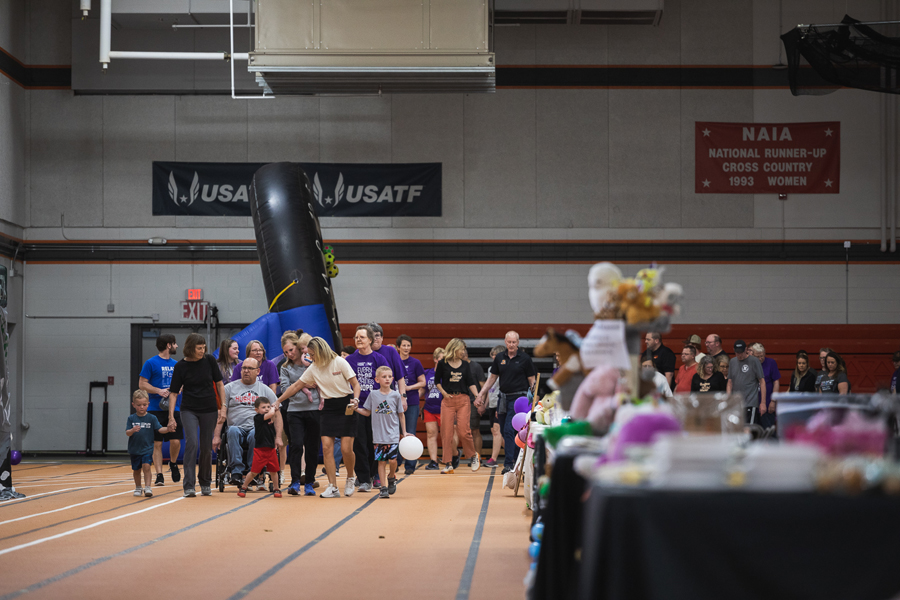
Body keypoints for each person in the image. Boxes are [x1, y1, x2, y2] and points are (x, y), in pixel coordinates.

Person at [277, 337, 361, 498]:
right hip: (328, 407)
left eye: (312, 354)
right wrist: (278, 400)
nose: (310, 358)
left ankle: (350, 477)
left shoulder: (339, 362)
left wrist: (356, 399)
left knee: (346, 449)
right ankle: (333, 486)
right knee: (327, 447)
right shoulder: (313, 368)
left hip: (346, 404)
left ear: (321, 351)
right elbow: (295, 386)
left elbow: (356, 385)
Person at [167, 333, 225, 498]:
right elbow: (173, 394)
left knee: (206, 447)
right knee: (192, 443)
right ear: (190, 348)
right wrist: (171, 416)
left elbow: (220, 384)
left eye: (203, 348)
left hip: (209, 408)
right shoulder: (180, 367)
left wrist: (224, 406)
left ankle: (205, 482)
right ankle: (189, 485)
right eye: (199, 348)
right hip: (189, 409)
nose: (202, 351)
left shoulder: (209, 361)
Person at [476, 331, 536, 475]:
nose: (511, 345)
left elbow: (532, 381)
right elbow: (491, 379)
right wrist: (480, 394)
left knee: (511, 430)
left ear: (518, 343)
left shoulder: (525, 358)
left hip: (519, 399)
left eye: (514, 342)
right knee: (504, 431)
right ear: (505, 342)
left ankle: (509, 463)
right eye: (509, 342)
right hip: (503, 398)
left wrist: (533, 400)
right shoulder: (499, 358)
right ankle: (515, 460)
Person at [215, 357, 278, 487]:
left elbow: (278, 414)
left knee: (256, 434)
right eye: (244, 368)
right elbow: (221, 414)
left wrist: (278, 437)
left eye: (250, 368)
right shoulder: (229, 388)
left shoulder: (265, 390)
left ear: (258, 371)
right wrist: (216, 436)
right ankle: (236, 472)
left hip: (256, 429)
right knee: (231, 431)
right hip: (235, 427)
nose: (246, 371)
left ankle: (253, 471)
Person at [345, 326, 390, 491]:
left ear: (370, 340)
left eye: (362, 337)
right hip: (357, 408)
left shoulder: (379, 359)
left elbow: (386, 382)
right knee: (359, 444)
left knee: (375, 443)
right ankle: (364, 479)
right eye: (356, 337)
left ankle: (375, 474)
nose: (358, 340)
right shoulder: (349, 360)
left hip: (377, 408)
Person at [355, 366, 410, 499]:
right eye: (384, 377)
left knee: (392, 461)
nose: (387, 379)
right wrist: (356, 409)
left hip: (393, 434)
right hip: (378, 435)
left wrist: (404, 432)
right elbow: (367, 412)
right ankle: (384, 488)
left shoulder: (396, 395)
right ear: (377, 379)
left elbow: (401, 415)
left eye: (389, 377)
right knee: (381, 461)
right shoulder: (373, 395)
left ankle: (391, 476)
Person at [280, 331, 321, 496]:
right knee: (296, 445)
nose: (289, 354)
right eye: (285, 352)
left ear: (298, 348)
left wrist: (296, 386)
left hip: (314, 409)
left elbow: (320, 382)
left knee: (312, 447)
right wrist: (302, 386)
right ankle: (295, 481)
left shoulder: (313, 363)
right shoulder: (285, 368)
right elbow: (285, 389)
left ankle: (309, 482)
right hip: (294, 411)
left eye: (291, 350)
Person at [138, 333, 182, 487]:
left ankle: (174, 463)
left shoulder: (177, 364)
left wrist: (179, 389)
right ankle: (159, 475)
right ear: (169, 345)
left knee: (175, 441)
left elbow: (182, 384)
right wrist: (158, 390)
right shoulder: (150, 363)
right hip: (156, 408)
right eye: (175, 343)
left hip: (174, 407)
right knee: (157, 443)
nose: (177, 346)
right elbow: (142, 384)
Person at [435, 338, 481, 474]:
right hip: (448, 400)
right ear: (455, 348)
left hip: (463, 399)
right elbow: (437, 381)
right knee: (446, 433)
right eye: (462, 349)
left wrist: (478, 396)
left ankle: (473, 456)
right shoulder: (442, 363)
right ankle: (448, 463)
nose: (464, 352)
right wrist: (443, 393)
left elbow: (471, 383)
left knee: (463, 431)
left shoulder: (465, 365)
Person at [236, 397, 284, 498]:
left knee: (274, 471)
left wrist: (276, 410)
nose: (266, 409)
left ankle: (276, 488)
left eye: (268, 406)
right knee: (254, 471)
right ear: (256, 410)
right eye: (263, 407)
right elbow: (271, 413)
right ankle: (244, 487)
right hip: (260, 450)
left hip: (271, 449)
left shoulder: (270, 418)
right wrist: (272, 408)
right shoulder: (258, 418)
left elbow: (274, 416)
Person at [127, 390, 170, 498]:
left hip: (147, 448)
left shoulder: (152, 418)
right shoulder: (131, 418)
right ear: (134, 405)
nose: (142, 407)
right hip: (135, 449)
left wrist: (168, 429)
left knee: (146, 466)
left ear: (148, 404)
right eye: (139, 405)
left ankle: (147, 487)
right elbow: (127, 432)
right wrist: (132, 430)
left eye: (144, 405)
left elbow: (160, 429)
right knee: (136, 469)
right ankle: (138, 487)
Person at [397, 335, 426, 475]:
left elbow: (423, 382)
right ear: (398, 347)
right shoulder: (394, 361)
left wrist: (409, 388)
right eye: (404, 345)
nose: (406, 348)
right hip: (394, 402)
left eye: (409, 345)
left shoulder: (415, 362)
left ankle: (410, 464)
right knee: (394, 433)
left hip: (412, 402)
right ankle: (395, 462)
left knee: (410, 431)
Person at [726, 340, 766, 425]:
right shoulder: (732, 362)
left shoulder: (754, 361)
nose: (739, 355)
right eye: (737, 353)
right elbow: (730, 382)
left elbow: (762, 381)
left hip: (750, 402)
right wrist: (728, 398)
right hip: (736, 403)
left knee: (749, 428)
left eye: (741, 352)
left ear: (746, 350)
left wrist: (763, 403)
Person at [368, 322, 408, 402]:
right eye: (372, 336)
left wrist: (403, 397)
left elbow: (400, 377)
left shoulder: (391, 351)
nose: (375, 338)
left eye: (377, 336)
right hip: (367, 398)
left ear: (382, 338)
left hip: (388, 398)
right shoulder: (361, 353)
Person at [483, 345, 506, 467]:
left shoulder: (504, 368)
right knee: (495, 431)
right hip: (492, 403)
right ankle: (515, 454)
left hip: (499, 402)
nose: (493, 356)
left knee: (497, 431)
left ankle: (493, 459)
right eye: (492, 354)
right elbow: (489, 387)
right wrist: (485, 404)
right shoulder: (491, 368)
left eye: (495, 354)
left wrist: (499, 406)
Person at [422, 347, 445, 470]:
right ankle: (433, 461)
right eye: (441, 359)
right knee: (431, 434)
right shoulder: (428, 373)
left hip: (444, 408)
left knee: (447, 435)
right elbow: (423, 389)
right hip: (429, 407)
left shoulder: (447, 374)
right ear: (435, 359)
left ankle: (449, 458)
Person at [751, 343, 781, 429]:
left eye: (762, 356)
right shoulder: (750, 364)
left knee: (768, 431)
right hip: (753, 404)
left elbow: (776, 382)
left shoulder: (771, 363)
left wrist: (773, 401)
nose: (760, 358)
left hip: (768, 404)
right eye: (758, 356)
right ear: (752, 355)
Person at [463, 348, 486, 459]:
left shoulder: (476, 367)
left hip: (473, 402)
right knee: (462, 430)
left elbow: (483, 387)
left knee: (475, 430)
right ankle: (470, 455)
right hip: (460, 401)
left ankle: (478, 456)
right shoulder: (456, 366)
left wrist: (481, 403)